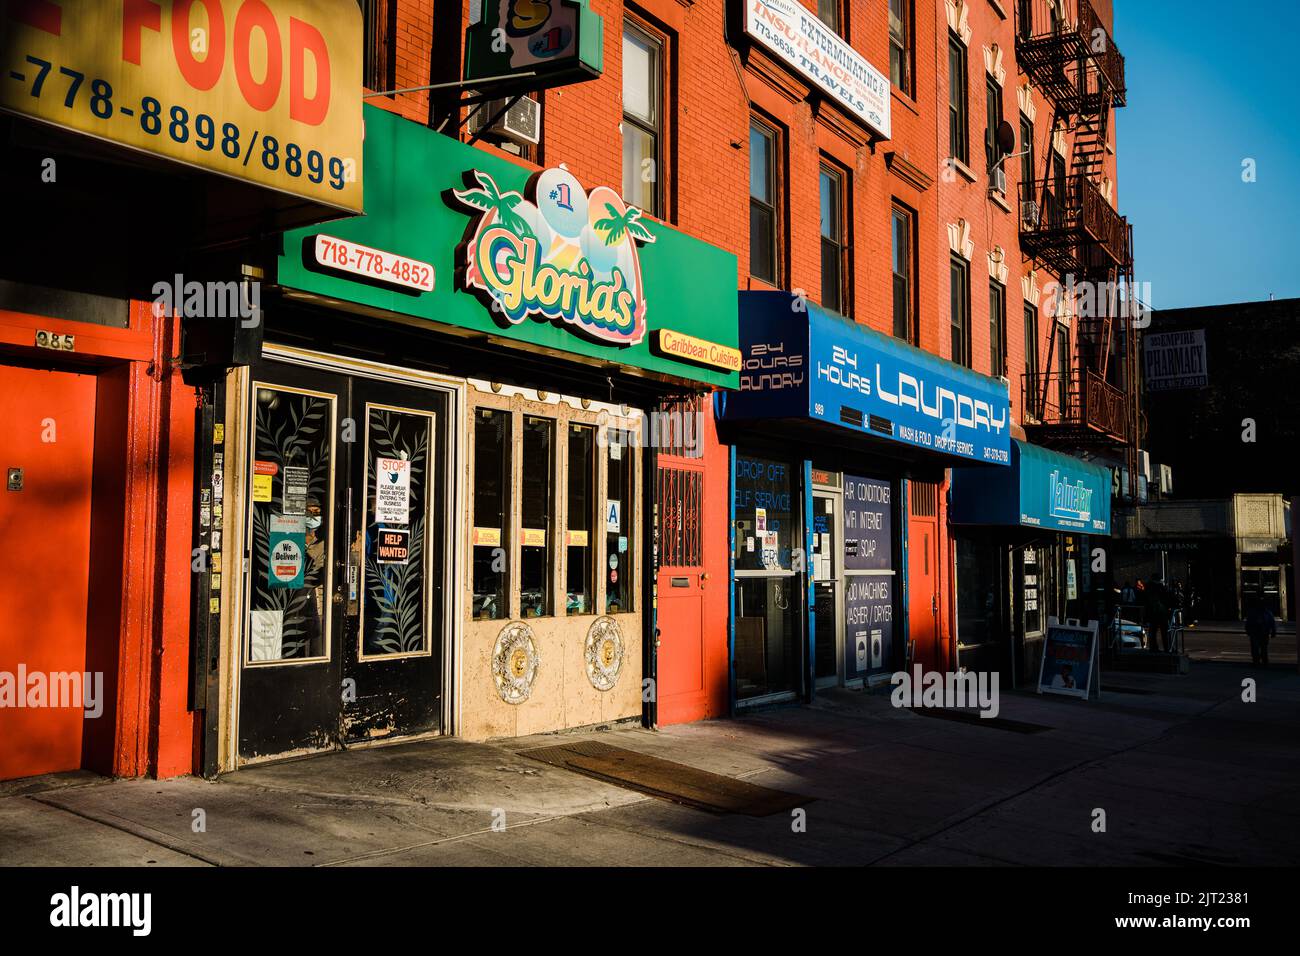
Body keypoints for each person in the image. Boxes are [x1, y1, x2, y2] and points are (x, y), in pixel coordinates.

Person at [1245, 597, 1276, 666]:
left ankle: (1260, 660)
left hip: (1260, 632)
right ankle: (1260, 660)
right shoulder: (1266, 612)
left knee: (1260, 648)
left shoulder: (1257, 612)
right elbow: (1272, 622)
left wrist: (1273, 631)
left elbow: (1248, 622)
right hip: (1259, 632)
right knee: (1260, 648)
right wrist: (1273, 631)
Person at [1145, 575, 1171, 652]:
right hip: (1161, 612)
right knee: (1164, 632)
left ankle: (1154, 648)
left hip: (1152, 613)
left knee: (1152, 631)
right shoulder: (1161, 587)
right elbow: (1167, 597)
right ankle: (1167, 648)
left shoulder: (1148, 587)